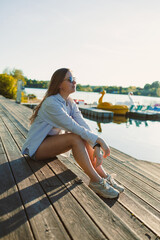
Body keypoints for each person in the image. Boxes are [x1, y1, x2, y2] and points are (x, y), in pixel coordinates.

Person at [21, 68, 124, 198]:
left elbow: (83, 125)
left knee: (83, 134)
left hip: (51, 145)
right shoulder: (51, 103)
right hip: (36, 149)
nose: (74, 82)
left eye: (74, 79)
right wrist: (100, 141)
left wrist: (96, 145)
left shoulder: (69, 102)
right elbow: (73, 127)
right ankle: (96, 181)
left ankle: (104, 176)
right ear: (59, 84)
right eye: (70, 80)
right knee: (76, 137)